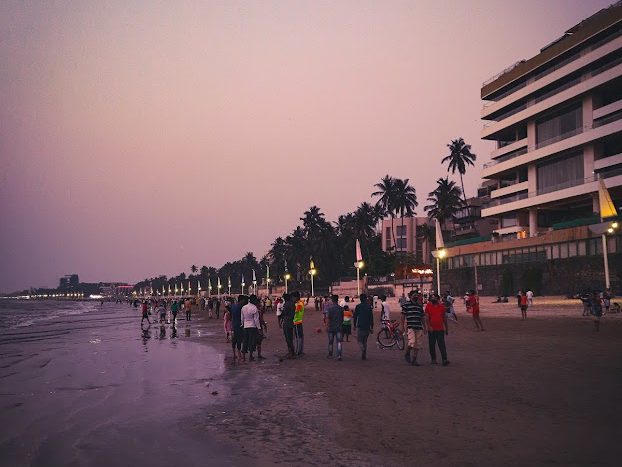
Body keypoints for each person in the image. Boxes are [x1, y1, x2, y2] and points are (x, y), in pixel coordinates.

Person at [401, 290, 426, 366]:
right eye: (414, 295)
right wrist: (402, 327)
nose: (415, 296)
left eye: (416, 295)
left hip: (418, 326)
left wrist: (425, 327)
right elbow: (403, 316)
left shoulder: (419, 306)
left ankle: (414, 359)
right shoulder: (406, 305)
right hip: (411, 326)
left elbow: (422, 317)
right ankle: (407, 353)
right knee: (412, 342)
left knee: (418, 344)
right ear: (410, 296)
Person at [425, 293, 450, 366]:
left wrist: (446, 328)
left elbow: (444, 318)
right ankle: (433, 359)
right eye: (432, 297)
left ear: (438, 299)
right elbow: (427, 317)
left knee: (441, 344)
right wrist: (429, 326)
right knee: (432, 345)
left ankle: (444, 359)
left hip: (440, 329)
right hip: (432, 329)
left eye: (434, 297)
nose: (433, 299)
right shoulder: (428, 306)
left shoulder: (442, 307)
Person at [241, 294, 262, 361]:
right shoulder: (254, 308)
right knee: (252, 341)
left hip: (245, 325)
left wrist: (242, 324)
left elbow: (242, 318)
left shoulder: (244, 307)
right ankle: (250, 356)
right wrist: (259, 328)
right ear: (254, 300)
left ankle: (243, 357)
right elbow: (256, 319)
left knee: (245, 341)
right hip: (252, 326)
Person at [353, 293, 373, 360]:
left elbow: (355, 316)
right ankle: (364, 355)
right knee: (365, 341)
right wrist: (372, 327)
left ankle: (362, 349)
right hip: (367, 326)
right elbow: (371, 317)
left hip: (360, 325)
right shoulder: (369, 306)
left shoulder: (358, 306)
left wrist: (354, 325)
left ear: (360, 299)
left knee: (359, 340)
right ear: (365, 299)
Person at [324, 295, 344, 360]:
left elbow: (327, 318)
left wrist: (326, 326)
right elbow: (342, 318)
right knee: (339, 342)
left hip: (331, 327)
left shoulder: (329, 308)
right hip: (339, 327)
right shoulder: (341, 308)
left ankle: (330, 354)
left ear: (332, 300)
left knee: (330, 342)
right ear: (337, 300)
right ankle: (339, 355)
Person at [230, 295, 248, 361]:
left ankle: (234, 354)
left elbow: (231, 316)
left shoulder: (233, 306)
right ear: (241, 300)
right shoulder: (241, 307)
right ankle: (239, 354)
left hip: (234, 325)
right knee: (239, 340)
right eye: (244, 300)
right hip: (239, 325)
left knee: (234, 340)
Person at [280, 293, 296, 358]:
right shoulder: (292, 304)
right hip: (290, 321)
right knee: (290, 337)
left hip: (287, 321)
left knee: (288, 337)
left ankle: (291, 352)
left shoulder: (287, 304)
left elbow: (284, 313)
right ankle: (292, 351)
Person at [293, 291, 305, 356]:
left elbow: (295, 312)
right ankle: (300, 351)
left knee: (298, 337)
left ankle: (297, 352)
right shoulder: (300, 303)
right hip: (299, 321)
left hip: (296, 322)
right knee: (300, 337)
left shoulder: (298, 304)